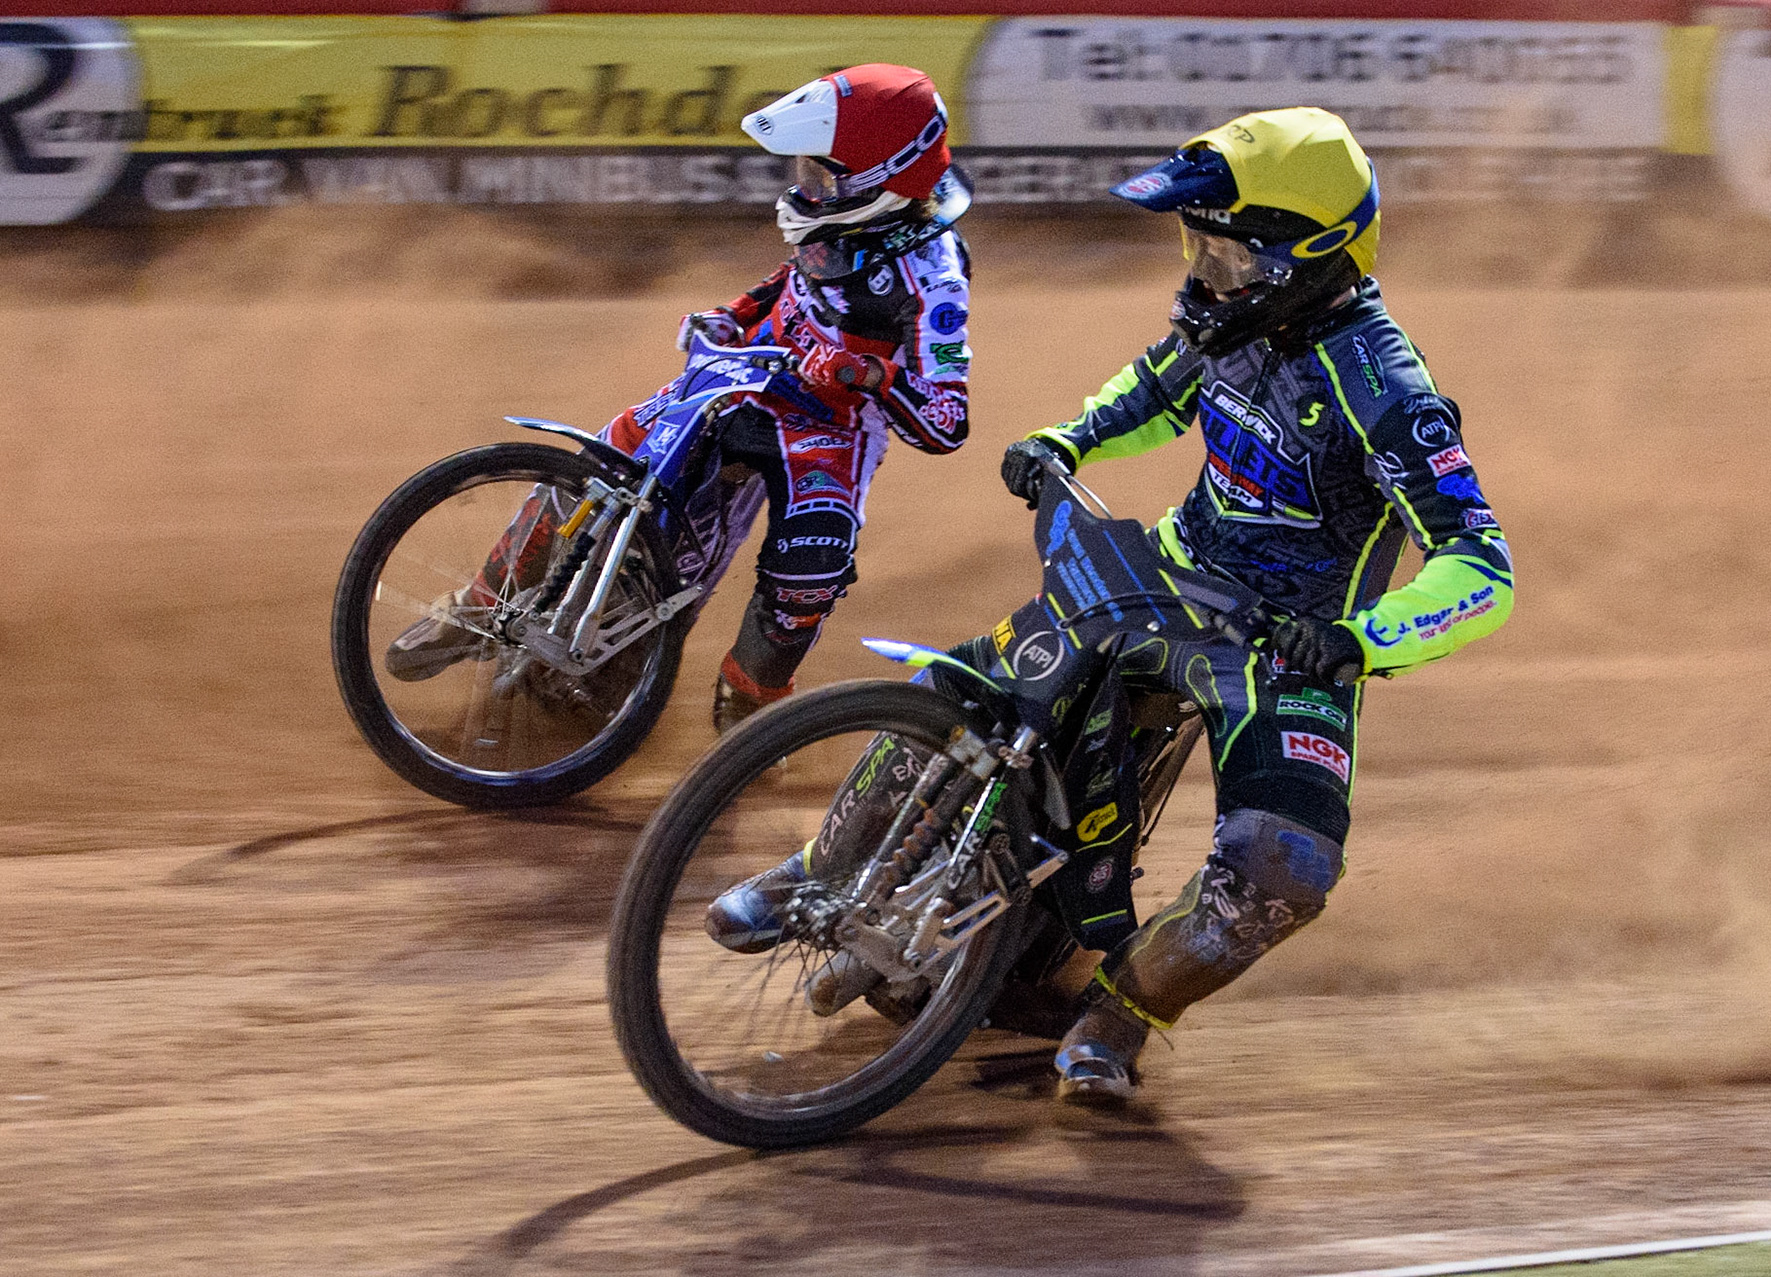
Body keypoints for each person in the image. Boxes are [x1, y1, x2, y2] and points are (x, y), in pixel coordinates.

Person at [990, 106, 1515, 1102]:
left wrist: (1358, 640)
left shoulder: (1388, 391)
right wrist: (1067, 438)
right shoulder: (1235, 318)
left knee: (1285, 868)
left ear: (1305, 261)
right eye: (1198, 247)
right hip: (1171, 572)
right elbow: (1160, 388)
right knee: (989, 690)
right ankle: (816, 867)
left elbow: (1480, 567)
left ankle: (1120, 1009)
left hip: (1287, 645)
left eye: (1229, 256)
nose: (1204, 275)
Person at [386, 63, 974, 733]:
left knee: (812, 564)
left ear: (882, 180)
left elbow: (946, 420)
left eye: (821, 175)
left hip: (830, 424)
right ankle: (480, 603)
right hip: (748, 371)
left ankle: (752, 716)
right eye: (805, 170)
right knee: (608, 461)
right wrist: (729, 314)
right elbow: (792, 280)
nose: (805, 187)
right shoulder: (840, 221)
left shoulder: (936, 278)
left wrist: (862, 374)